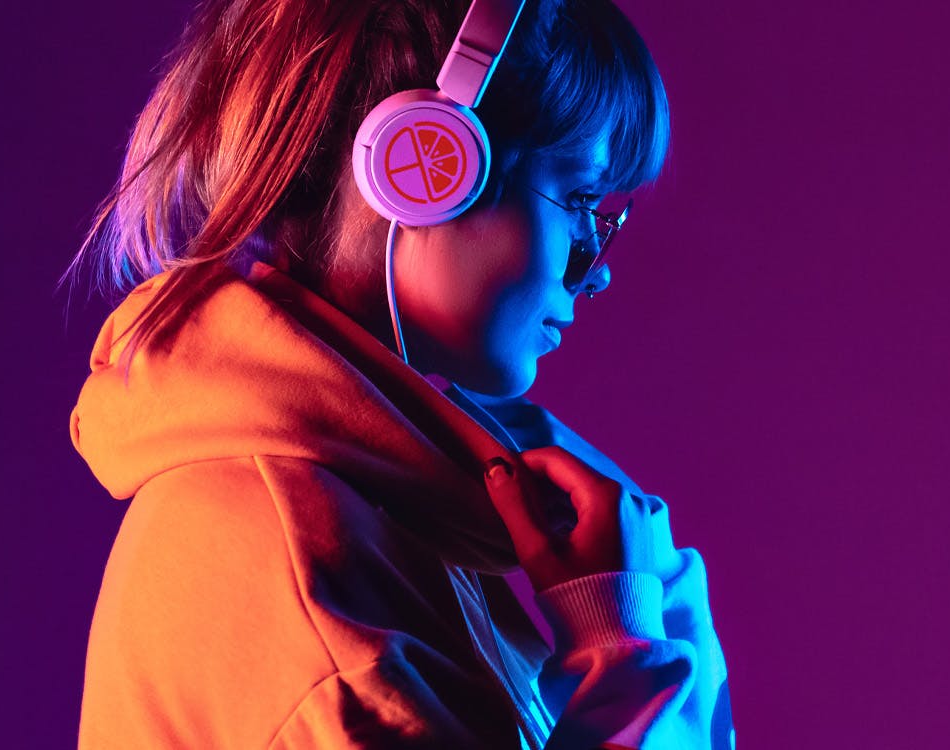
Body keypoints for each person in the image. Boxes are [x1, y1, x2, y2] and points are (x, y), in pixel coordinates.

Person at [62, 0, 731, 746]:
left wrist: (658, 593)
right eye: (578, 199)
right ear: (427, 167)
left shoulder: (395, 514)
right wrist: (625, 656)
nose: (595, 271)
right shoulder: (314, 596)